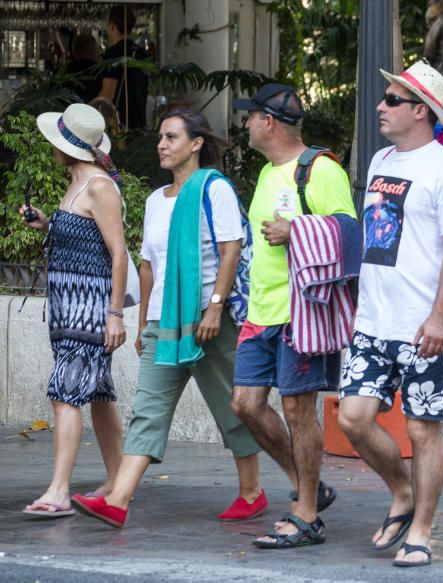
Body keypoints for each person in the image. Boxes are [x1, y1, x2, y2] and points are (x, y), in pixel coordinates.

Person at [70, 109, 266, 528]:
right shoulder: (155, 201)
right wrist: (142, 323)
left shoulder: (215, 189)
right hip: (163, 321)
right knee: (148, 409)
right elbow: (147, 266)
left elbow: (231, 249)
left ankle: (252, 492)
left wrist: (215, 306)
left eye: (172, 137)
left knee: (232, 406)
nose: (162, 144)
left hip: (206, 319)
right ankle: (119, 500)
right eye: (160, 137)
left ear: (196, 144)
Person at [337, 61, 443, 568]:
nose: (381, 105)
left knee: (423, 431)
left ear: (421, 111)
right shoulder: (380, 161)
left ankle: (422, 529)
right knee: (353, 418)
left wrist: (439, 318)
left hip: (425, 326)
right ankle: (402, 490)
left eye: (392, 99)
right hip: (375, 322)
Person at [229, 84, 355, 549]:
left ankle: (306, 515)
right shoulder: (266, 174)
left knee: (298, 411)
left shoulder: (320, 170)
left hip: (300, 313)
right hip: (259, 313)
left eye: (249, 118)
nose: (244, 126)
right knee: (245, 404)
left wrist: (296, 229)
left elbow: (350, 233)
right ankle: (309, 485)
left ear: (269, 122)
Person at [20, 103, 127, 518]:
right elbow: (86, 240)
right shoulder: (78, 183)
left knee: (65, 394)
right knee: (98, 394)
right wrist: (48, 224)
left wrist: (114, 314)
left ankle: (59, 491)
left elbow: (118, 254)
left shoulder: (99, 186)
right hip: (70, 305)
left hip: (90, 308)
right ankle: (119, 481)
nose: (52, 149)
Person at [98, 6, 149, 130]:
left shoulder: (113, 55)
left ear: (112, 25)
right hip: (139, 122)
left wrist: (88, 110)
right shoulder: (142, 53)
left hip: (119, 125)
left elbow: (107, 96)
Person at [63, 33, 101, 104]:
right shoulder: (101, 72)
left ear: (74, 51)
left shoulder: (62, 72)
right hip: (95, 113)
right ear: (93, 51)